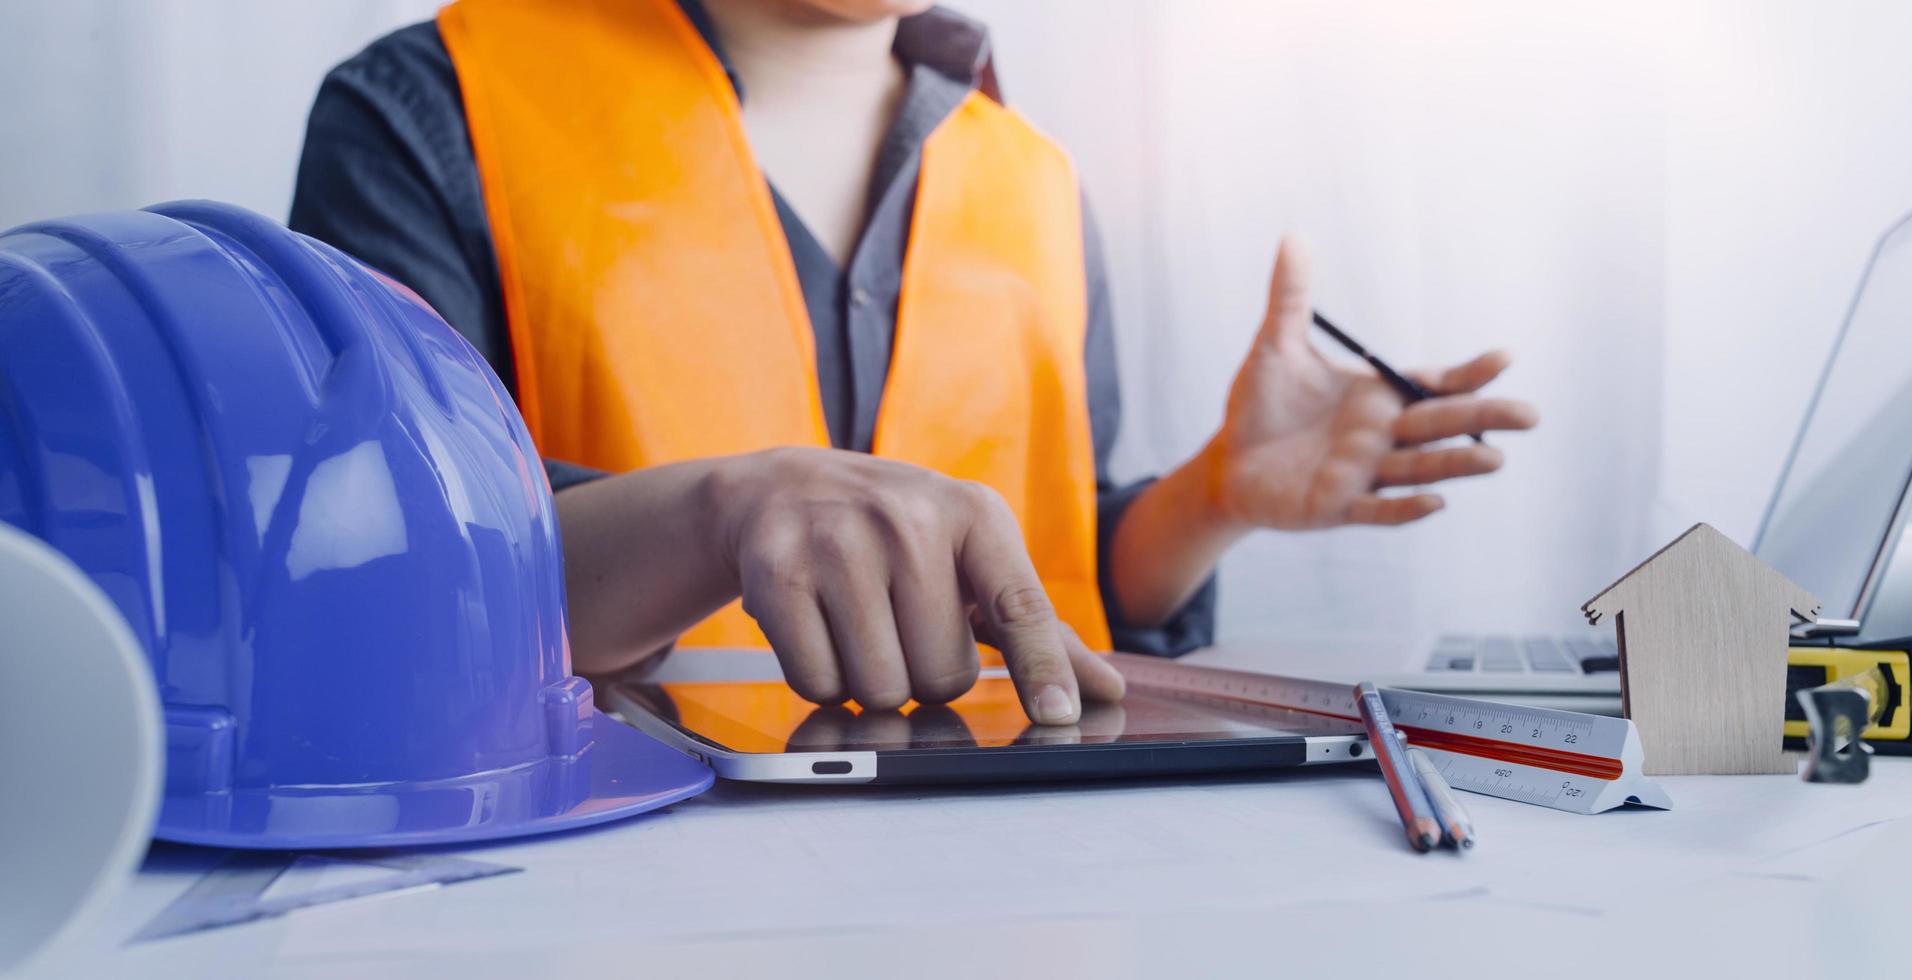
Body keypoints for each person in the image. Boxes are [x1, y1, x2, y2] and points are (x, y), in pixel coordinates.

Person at [288, 0, 1537, 726]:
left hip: (1019, 881)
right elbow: (375, 578)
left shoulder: (1031, 176)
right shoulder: (431, 110)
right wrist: (717, 516)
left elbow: (1049, 563)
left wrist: (1210, 495)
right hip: (605, 878)